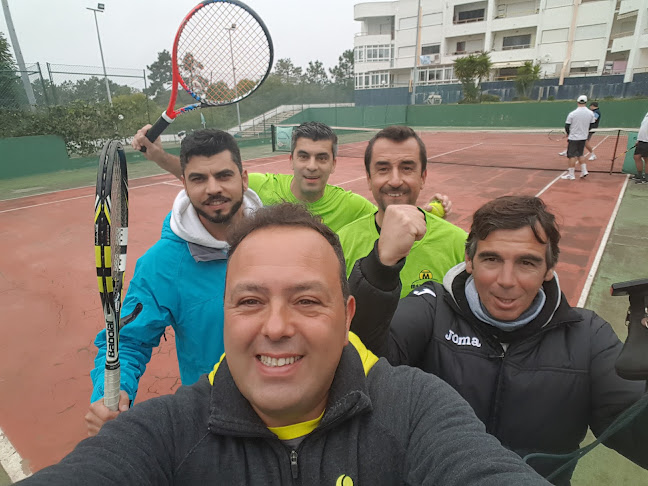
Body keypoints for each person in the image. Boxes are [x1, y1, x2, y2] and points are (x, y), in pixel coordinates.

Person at [17, 203, 551, 485]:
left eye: (306, 301)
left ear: (346, 318)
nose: (275, 326)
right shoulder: (165, 433)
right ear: (224, 318)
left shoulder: (417, 411)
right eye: (250, 301)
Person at [349, 195, 648, 484]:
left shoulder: (588, 336)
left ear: (549, 268)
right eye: (491, 259)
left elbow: (635, 429)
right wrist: (380, 268)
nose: (506, 280)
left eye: (527, 263)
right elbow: (361, 359)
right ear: (469, 260)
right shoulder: (432, 307)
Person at [85, 129, 263, 436]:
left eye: (223, 175)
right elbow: (126, 341)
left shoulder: (275, 237)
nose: (213, 188)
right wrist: (111, 393)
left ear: (243, 179)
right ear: (184, 182)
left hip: (293, 409)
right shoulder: (162, 264)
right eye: (198, 179)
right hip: (217, 419)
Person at [133, 121, 451, 232]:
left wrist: (433, 210)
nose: (311, 166)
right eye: (304, 156)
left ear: (333, 164)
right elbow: (208, 181)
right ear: (292, 160)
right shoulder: (258, 187)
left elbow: (389, 218)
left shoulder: (353, 206)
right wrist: (159, 156)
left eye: (321, 157)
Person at [337, 125, 466, 298]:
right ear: (369, 179)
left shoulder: (459, 244)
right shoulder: (343, 243)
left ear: (423, 177)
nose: (395, 181)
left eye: (406, 168)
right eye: (383, 169)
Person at [560, 95, 595, 180]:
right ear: (586, 102)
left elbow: (567, 126)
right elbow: (592, 124)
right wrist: (585, 131)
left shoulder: (572, 113)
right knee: (580, 154)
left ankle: (571, 175)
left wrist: (568, 133)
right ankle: (584, 171)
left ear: (577, 102)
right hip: (583, 137)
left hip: (573, 138)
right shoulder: (591, 113)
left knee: (571, 156)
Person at [632, 110, 648, 184]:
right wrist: (639, 139)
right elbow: (643, 127)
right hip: (641, 140)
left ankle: (646, 178)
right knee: (636, 157)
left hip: (647, 141)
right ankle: (639, 175)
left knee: (646, 159)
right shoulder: (647, 114)